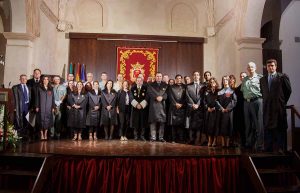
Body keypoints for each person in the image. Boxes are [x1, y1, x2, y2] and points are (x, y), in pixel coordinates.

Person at [260, 59, 292, 153]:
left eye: (272, 65)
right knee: (267, 128)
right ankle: (268, 149)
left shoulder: (282, 77)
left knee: (279, 128)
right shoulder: (262, 79)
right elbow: (263, 92)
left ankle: (280, 148)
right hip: (267, 107)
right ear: (266, 67)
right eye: (269, 66)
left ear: (276, 66)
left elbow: (288, 91)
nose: (271, 67)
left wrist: (281, 101)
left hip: (278, 107)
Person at [241, 62, 264, 151]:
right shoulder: (245, 79)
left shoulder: (260, 78)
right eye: (249, 67)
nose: (250, 68)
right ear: (247, 69)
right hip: (247, 103)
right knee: (248, 124)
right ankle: (249, 143)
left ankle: (259, 145)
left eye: (252, 67)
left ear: (255, 68)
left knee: (258, 124)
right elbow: (243, 90)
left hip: (257, 101)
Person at [186, 71, 206, 145]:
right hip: (192, 108)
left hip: (200, 108)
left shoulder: (203, 86)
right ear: (192, 76)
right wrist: (193, 104)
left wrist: (198, 104)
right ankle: (191, 140)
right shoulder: (188, 86)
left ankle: (198, 140)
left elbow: (203, 97)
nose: (196, 76)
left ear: (199, 76)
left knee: (199, 126)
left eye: (197, 75)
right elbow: (187, 96)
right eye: (194, 75)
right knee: (191, 125)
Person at [147, 72, 168, 142]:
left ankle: (161, 137)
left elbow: (167, 94)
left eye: (160, 76)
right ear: (155, 77)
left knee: (162, 122)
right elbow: (149, 93)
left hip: (162, 105)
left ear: (162, 77)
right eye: (157, 76)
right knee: (153, 122)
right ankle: (153, 137)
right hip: (153, 105)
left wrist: (162, 97)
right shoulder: (150, 85)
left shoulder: (165, 85)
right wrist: (156, 97)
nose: (159, 77)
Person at [216, 75, 237, 147]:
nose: (225, 81)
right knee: (222, 127)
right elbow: (216, 101)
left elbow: (234, 101)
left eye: (226, 79)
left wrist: (227, 108)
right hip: (221, 112)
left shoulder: (232, 91)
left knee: (228, 127)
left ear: (228, 81)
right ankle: (223, 143)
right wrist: (221, 108)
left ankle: (227, 144)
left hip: (229, 112)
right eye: (224, 79)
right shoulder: (219, 91)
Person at [35, 76, 55, 140]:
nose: (46, 80)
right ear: (42, 80)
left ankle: (45, 134)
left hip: (48, 107)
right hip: (41, 107)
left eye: (47, 79)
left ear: (48, 81)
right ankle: (41, 134)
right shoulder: (39, 88)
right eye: (44, 79)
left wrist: (53, 107)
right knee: (41, 120)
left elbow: (53, 99)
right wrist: (37, 106)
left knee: (47, 120)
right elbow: (37, 98)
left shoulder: (51, 88)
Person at [167, 74, 186, 143]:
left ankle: (180, 139)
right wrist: (175, 104)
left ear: (181, 79)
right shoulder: (171, 87)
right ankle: (173, 139)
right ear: (175, 79)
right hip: (173, 108)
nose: (179, 79)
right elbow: (170, 97)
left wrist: (182, 104)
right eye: (177, 78)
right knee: (173, 125)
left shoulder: (185, 87)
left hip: (182, 107)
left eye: (180, 78)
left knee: (181, 125)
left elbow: (186, 97)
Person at [12, 74, 31, 141]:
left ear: (26, 80)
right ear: (20, 79)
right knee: (19, 120)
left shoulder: (29, 87)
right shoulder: (15, 87)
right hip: (19, 106)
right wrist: (14, 107)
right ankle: (19, 136)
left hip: (27, 106)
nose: (23, 79)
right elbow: (13, 98)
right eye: (22, 78)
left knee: (27, 121)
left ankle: (25, 135)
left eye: (25, 78)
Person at [130, 76, 148, 141]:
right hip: (135, 108)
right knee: (135, 122)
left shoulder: (145, 88)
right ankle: (136, 136)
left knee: (143, 122)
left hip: (143, 108)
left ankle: (142, 136)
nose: (139, 82)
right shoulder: (132, 88)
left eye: (140, 81)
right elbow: (131, 97)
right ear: (136, 81)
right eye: (138, 81)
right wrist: (136, 104)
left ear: (142, 81)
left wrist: (142, 105)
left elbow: (147, 97)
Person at [233, 72, 247, 147]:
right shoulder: (238, 88)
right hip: (240, 109)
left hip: (248, 107)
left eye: (244, 76)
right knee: (241, 126)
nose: (242, 77)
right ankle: (243, 142)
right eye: (241, 76)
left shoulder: (249, 86)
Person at [204, 77, 219, 147]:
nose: (212, 83)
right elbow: (204, 101)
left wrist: (215, 108)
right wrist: (207, 108)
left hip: (216, 111)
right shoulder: (207, 92)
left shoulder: (219, 91)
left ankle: (215, 141)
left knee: (216, 126)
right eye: (211, 82)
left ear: (216, 83)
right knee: (209, 126)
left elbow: (221, 101)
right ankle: (210, 140)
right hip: (209, 111)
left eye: (213, 82)